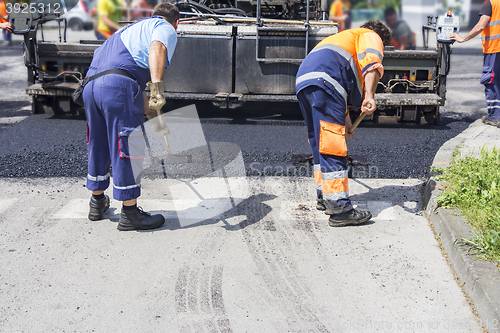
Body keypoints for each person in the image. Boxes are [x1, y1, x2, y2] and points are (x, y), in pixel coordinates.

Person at [82, 2, 179, 231]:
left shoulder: (129, 29)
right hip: (117, 87)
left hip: (92, 86)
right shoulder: (164, 27)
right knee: (127, 144)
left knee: (99, 143)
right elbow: (158, 47)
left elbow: (129, 80)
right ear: (177, 23)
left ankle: (97, 202)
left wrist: (151, 113)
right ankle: (130, 213)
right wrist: (157, 90)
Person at [296, 20, 391, 227]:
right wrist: (370, 95)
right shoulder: (370, 35)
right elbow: (372, 63)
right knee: (332, 144)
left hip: (305, 81)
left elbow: (339, 87)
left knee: (319, 141)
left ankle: (324, 197)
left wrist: (346, 122)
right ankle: (340, 209)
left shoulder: (342, 39)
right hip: (327, 81)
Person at [450, 2, 500, 127]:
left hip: (494, 49)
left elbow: (480, 26)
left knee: (491, 82)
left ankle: (495, 117)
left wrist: (462, 38)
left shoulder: (490, 3)